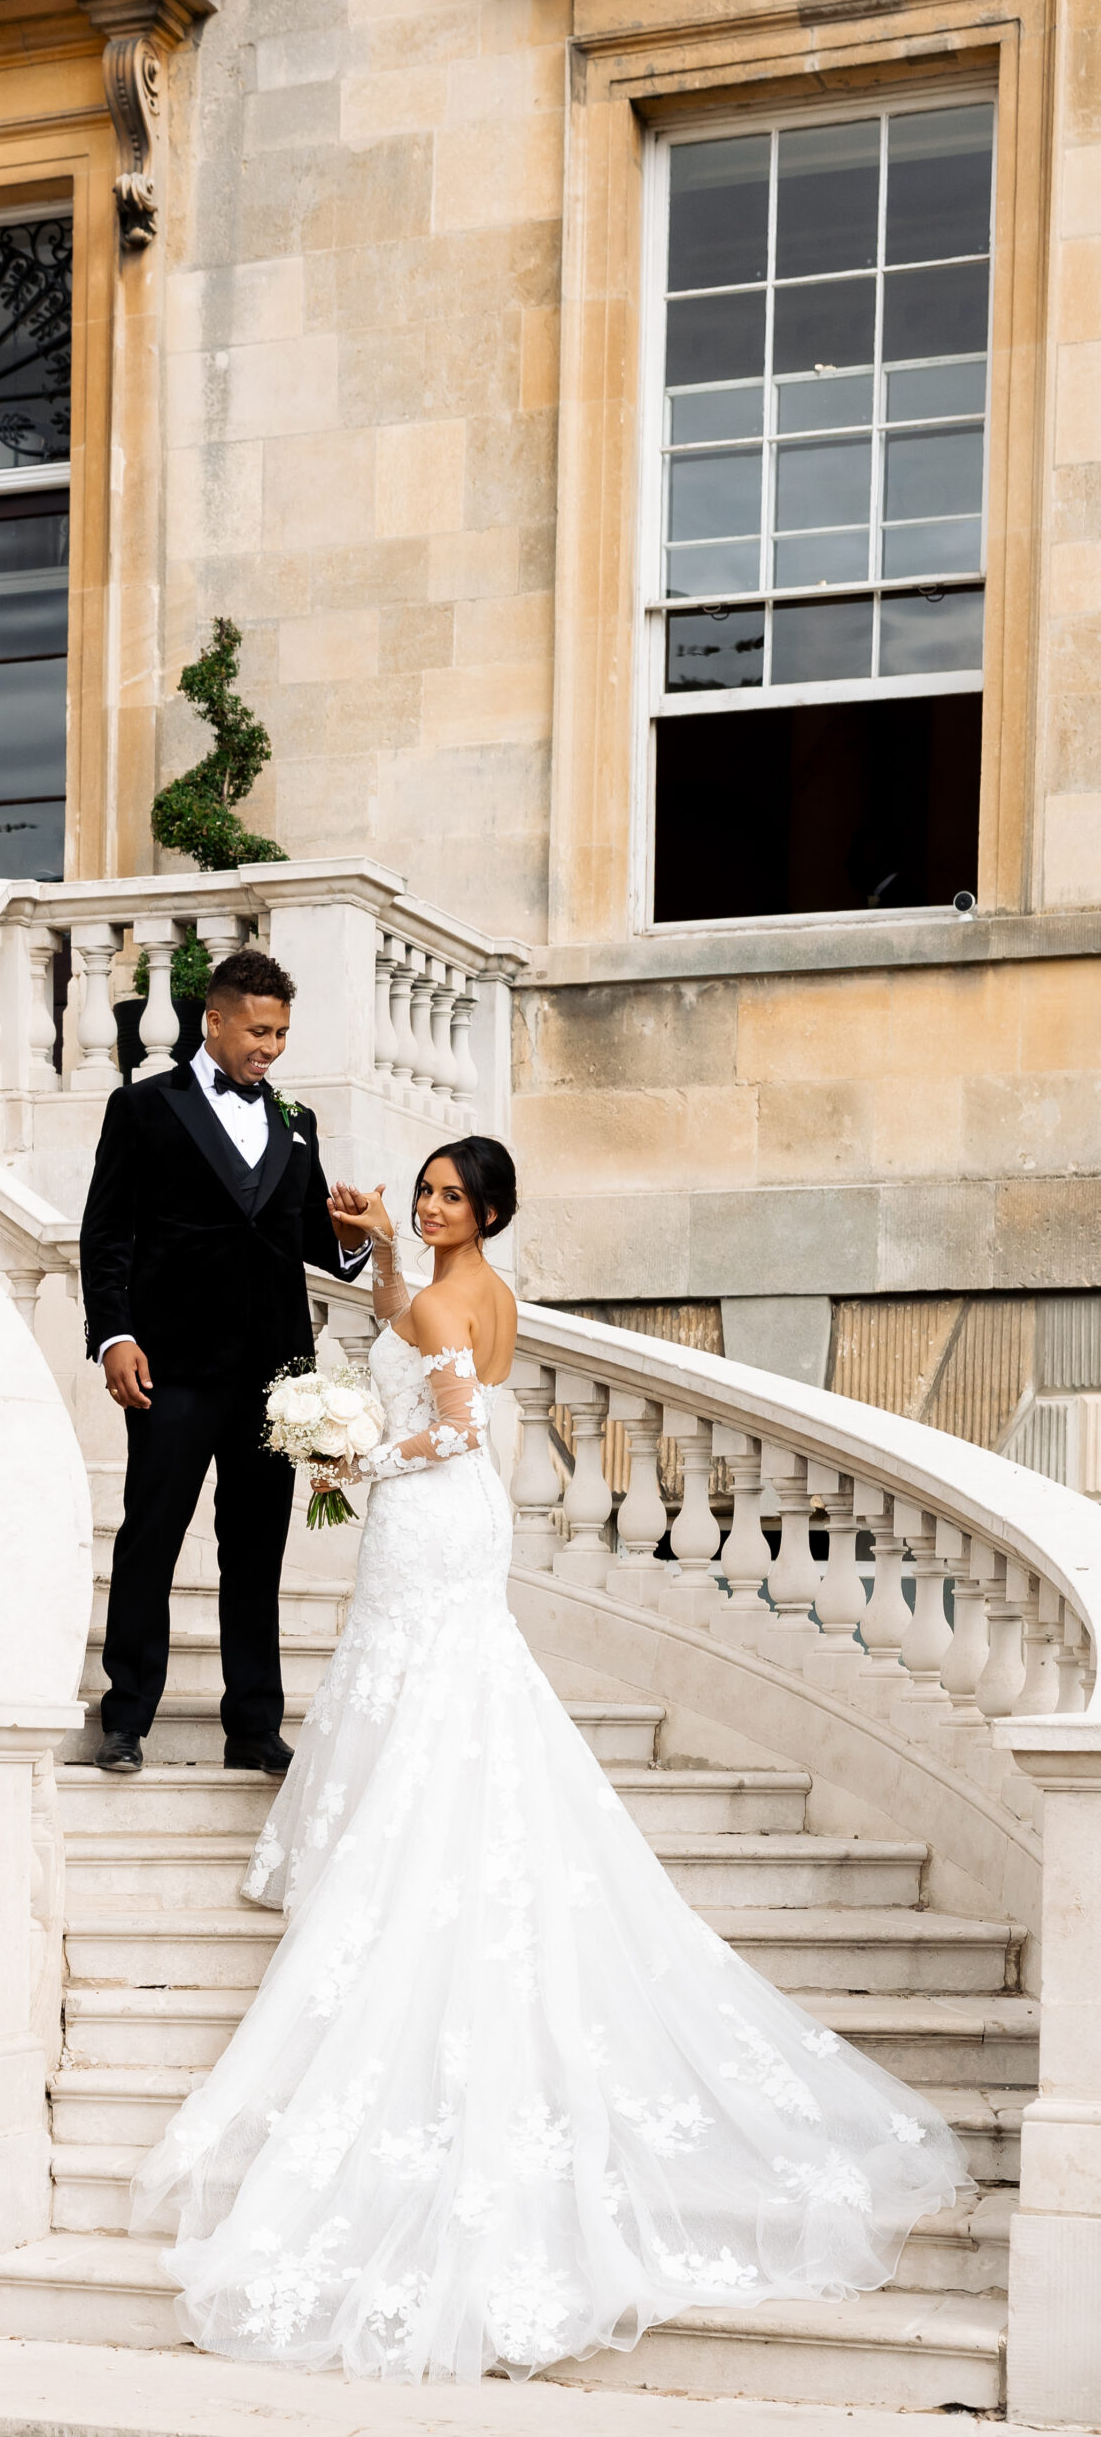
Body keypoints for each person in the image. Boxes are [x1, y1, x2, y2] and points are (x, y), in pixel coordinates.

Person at [131, 1135, 971, 2381]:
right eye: (423, 1188)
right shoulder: (443, 1282)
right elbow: (400, 1323)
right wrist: (372, 1251)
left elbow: (458, 1430)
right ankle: (375, 1835)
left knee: (430, 1678)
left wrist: (351, 1454)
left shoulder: (461, 1294)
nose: (430, 1205)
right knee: (411, 1675)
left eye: (448, 1196)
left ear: (490, 1213)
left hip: (431, 1513)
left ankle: (402, 1857)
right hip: (426, 1529)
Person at [78, 946, 370, 1776]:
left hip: (273, 1376)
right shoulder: (141, 1109)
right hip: (171, 1365)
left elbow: (312, 1243)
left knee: (256, 1549)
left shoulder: (295, 1120)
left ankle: (253, 1724)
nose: (269, 1048)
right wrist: (113, 1335)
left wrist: (355, 1234)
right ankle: (126, 1716)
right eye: (256, 1030)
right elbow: (108, 1236)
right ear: (214, 1021)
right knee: (152, 1539)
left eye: (280, 1033)